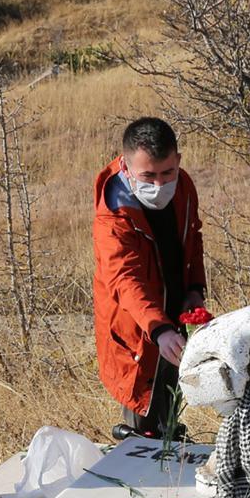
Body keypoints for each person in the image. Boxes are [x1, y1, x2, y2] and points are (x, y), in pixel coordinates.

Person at [93, 116, 208, 440]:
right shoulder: (113, 214)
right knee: (143, 413)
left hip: (174, 312)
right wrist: (159, 329)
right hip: (137, 327)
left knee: (171, 399)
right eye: (148, 176)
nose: (159, 186)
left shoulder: (183, 185)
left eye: (167, 173)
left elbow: (192, 237)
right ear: (127, 170)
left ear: (178, 162)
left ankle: (170, 439)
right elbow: (124, 280)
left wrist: (195, 289)